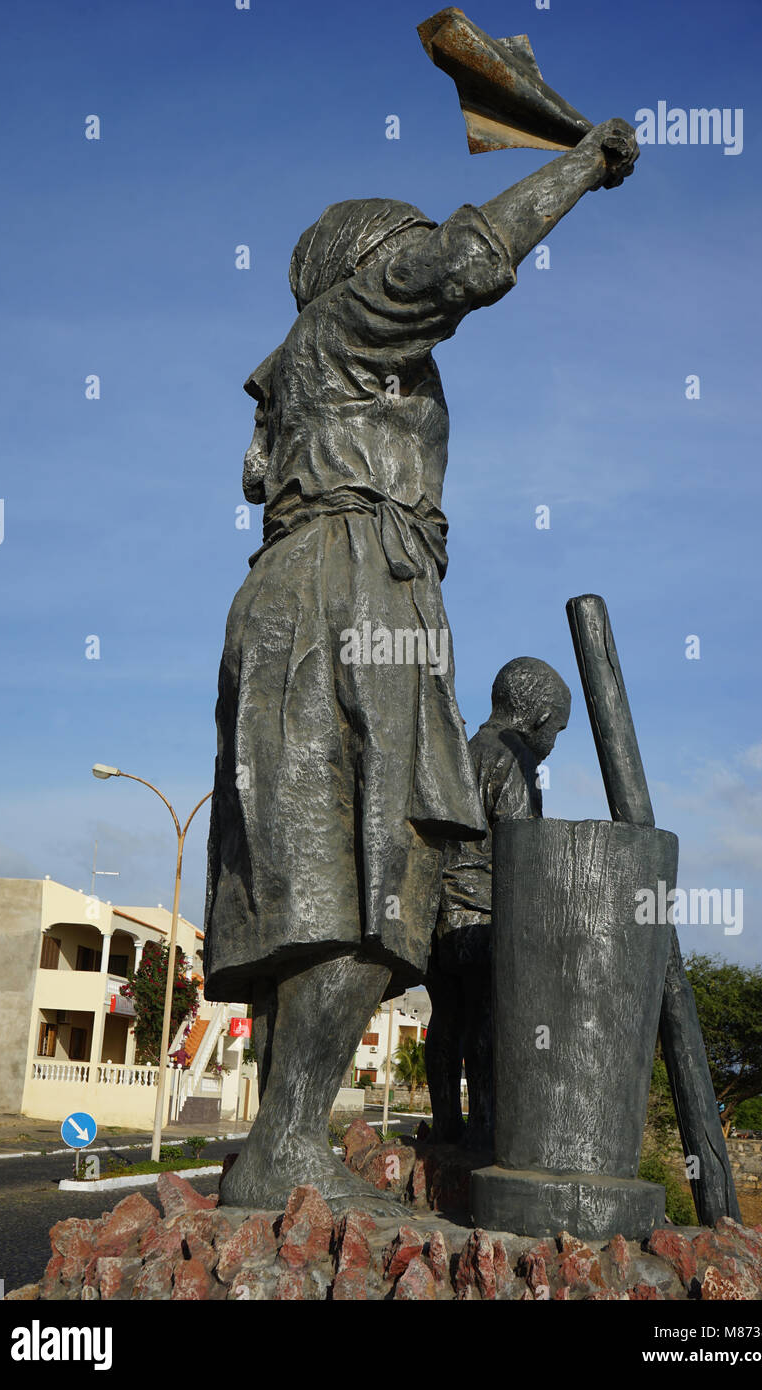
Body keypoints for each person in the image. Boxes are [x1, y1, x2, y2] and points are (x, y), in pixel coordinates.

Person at [206, 120, 639, 1210]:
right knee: (372, 868)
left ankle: (280, 1143)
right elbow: (467, 257)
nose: (415, 267)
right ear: (366, 267)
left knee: (322, 866)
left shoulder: (308, 370)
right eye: (398, 252)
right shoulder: (349, 321)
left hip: (311, 591)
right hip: (350, 591)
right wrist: (581, 163)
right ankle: (287, 1145)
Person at [425, 658, 571, 1151]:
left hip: (436, 911)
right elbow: (518, 849)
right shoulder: (514, 757)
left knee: (447, 1019)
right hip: (482, 916)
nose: (554, 742)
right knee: (488, 1020)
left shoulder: (463, 750)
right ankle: (486, 1130)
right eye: (557, 728)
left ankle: (447, 1125)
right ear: (537, 715)